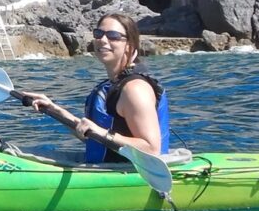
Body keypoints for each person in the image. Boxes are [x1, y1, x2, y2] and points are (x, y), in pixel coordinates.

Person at [27, 13, 169, 163]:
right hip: (108, 168)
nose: (103, 40)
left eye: (113, 36)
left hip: (129, 174)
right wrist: (55, 109)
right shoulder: (113, 85)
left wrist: (102, 133)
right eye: (99, 34)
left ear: (129, 46)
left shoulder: (135, 89)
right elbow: (94, 135)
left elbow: (152, 149)